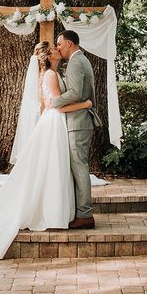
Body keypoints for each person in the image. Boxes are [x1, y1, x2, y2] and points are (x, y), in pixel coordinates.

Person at [0, 41, 92, 259]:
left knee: (52, 167)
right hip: (54, 123)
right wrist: (84, 105)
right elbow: (56, 105)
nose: (59, 50)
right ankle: (52, 212)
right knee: (52, 167)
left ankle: (56, 209)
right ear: (50, 56)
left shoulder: (52, 72)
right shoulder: (50, 74)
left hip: (54, 123)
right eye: (55, 49)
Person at [49, 30, 96, 230]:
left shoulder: (77, 62)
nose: (58, 48)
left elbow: (75, 93)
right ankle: (80, 211)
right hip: (77, 121)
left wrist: (55, 102)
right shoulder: (79, 60)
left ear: (68, 43)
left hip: (79, 122)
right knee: (78, 166)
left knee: (80, 167)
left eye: (59, 44)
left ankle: (85, 214)